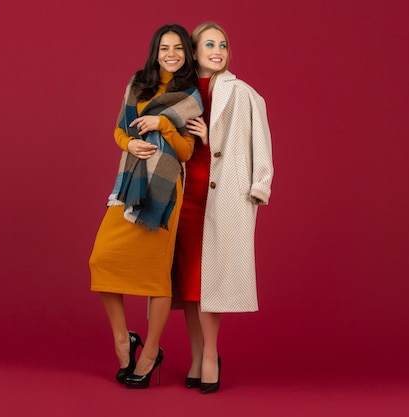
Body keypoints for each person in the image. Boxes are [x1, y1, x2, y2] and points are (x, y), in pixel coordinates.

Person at [89, 24, 202, 389]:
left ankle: (151, 354)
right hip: (130, 182)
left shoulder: (190, 95)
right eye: (164, 47)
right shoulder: (138, 83)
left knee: (156, 275)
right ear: (155, 52)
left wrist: (162, 124)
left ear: (187, 53)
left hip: (166, 189)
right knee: (102, 259)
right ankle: (125, 340)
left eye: (178, 48)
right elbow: (120, 129)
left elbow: (186, 151)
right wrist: (129, 145)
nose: (171, 53)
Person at [171, 22, 274, 394]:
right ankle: (196, 356)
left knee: (209, 280)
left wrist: (259, 185)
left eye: (224, 44)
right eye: (209, 44)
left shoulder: (242, 93)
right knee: (187, 284)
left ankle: (211, 355)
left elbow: (258, 140)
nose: (218, 50)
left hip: (222, 194)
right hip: (185, 197)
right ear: (194, 51)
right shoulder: (179, 91)